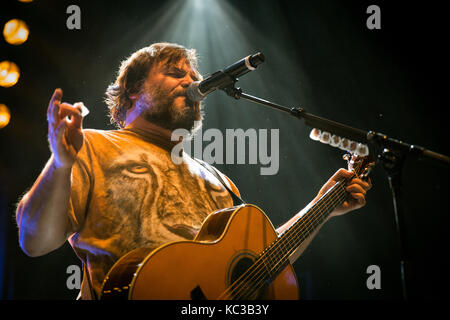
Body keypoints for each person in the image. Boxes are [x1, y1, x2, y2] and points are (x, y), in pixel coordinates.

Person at [15, 42, 371, 300]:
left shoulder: (218, 179)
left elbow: (260, 262)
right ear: (133, 89)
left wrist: (323, 206)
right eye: (174, 73)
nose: (190, 81)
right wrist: (61, 165)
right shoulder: (94, 145)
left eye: (195, 75)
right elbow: (35, 242)